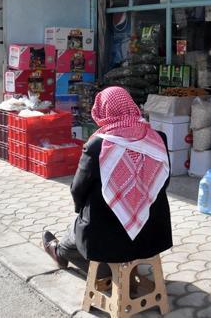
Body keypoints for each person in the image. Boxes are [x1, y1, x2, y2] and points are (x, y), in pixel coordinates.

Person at [42, 86, 173, 271]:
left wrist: (81, 210)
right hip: (152, 233)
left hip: (105, 237)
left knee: (76, 231)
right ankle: (71, 254)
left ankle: (63, 254)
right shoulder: (159, 138)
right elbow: (165, 182)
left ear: (103, 111)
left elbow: (78, 189)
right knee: (80, 230)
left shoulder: (98, 144)